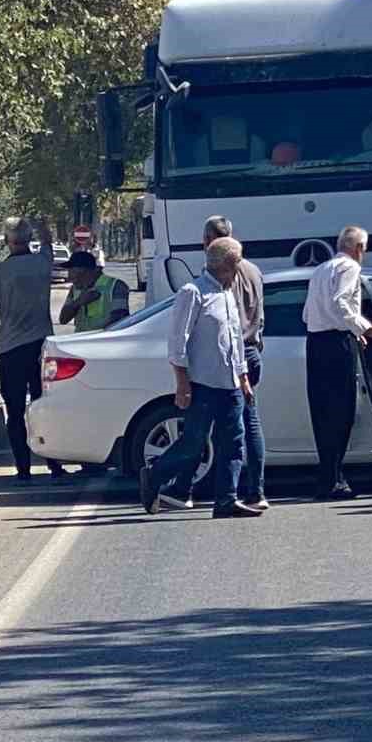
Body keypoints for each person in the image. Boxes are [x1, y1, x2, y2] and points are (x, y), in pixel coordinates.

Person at [140, 237, 260, 519]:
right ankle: (155, 475)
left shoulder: (228, 294)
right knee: (194, 442)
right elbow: (177, 342)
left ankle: (226, 501)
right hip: (203, 383)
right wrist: (182, 383)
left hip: (230, 382)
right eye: (238, 260)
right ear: (228, 263)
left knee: (234, 443)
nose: (241, 266)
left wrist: (243, 377)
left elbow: (235, 341)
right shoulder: (193, 292)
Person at [302, 226, 372, 501]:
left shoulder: (321, 269)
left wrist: (354, 331)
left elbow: (309, 313)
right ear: (359, 248)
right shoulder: (350, 268)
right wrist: (365, 328)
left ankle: (330, 476)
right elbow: (342, 303)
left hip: (316, 343)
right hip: (335, 345)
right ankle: (332, 479)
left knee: (322, 412)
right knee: (341, 411)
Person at [0, 216, 70, 482]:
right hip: (42, 345)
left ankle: (23, 469)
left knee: (15, 409)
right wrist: (43, 228)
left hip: (11, 347)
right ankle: (54, 464)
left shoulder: (0, 271)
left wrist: (3, 312)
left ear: (8, 241)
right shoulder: (42, 263)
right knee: (44, 404)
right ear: (29, 239)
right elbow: (48, 243)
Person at [204, 215, 267, 510]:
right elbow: (261, 316)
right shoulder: (254, 270)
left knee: (228, 428)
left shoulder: (220, 274)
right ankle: (255, 490)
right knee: (249, 423)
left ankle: (227, 492)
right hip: (253, 350)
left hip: (233, 356)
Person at [58, 250, 131, 331]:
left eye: (71, 270)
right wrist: (78, 302)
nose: (69, 275)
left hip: (104, 341)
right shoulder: (75, 289)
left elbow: (120, 322)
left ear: (83, 270)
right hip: (80, 341)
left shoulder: (115, 286)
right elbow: (63, 320)